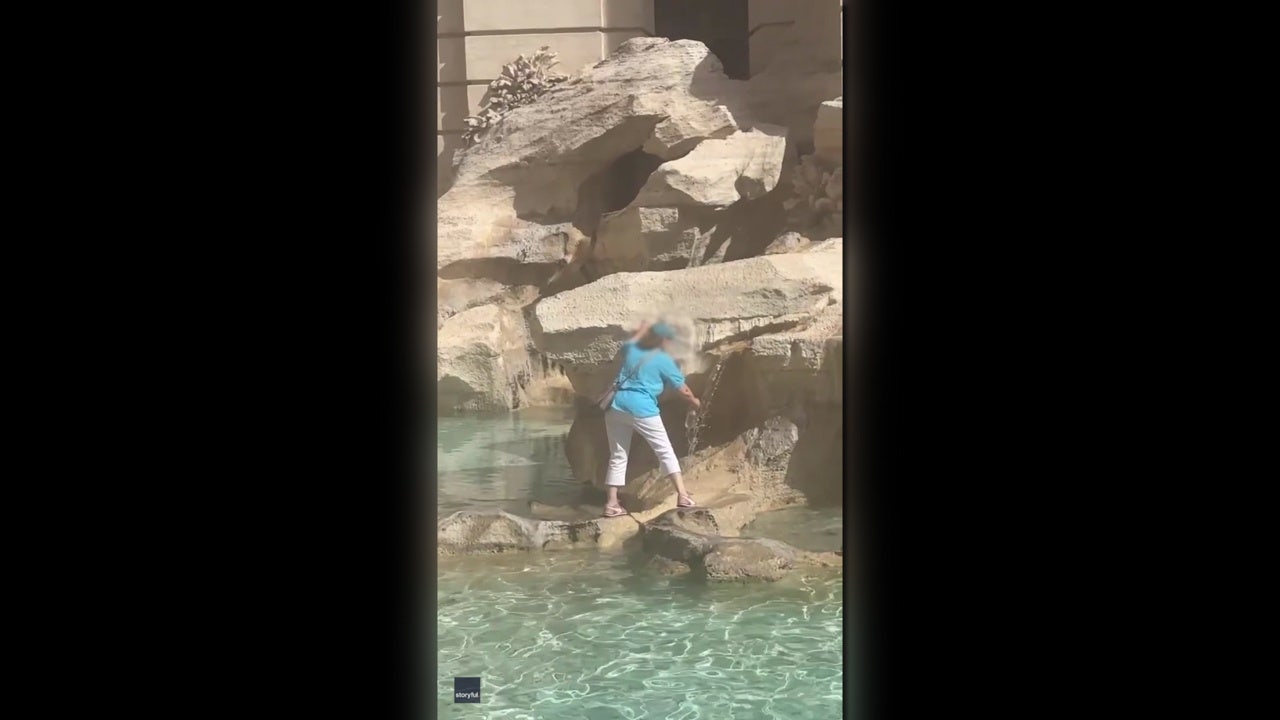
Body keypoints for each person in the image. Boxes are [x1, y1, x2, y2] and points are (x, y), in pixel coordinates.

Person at [601, 320, 702, 517]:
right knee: (665, 451)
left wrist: (642, 329)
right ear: (664, 340)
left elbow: (631, 342)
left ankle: (611, 504)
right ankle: (683, 495)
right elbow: (683, 390)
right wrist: (695, 402)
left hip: (616, 406)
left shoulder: (632, 350)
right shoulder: (663, 359)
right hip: (642, 408)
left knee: (618, 455)